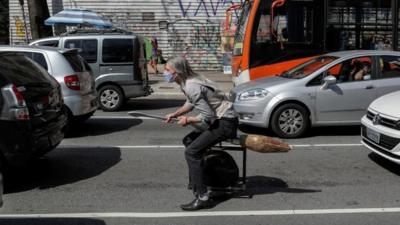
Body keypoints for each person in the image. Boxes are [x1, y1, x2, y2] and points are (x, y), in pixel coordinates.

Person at [163, 56, 238, 211]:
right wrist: (175, 114)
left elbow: (208, 116)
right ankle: (201, 179)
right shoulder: (188, 81)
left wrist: (188, 120)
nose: (164, 72)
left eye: (167, 70)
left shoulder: (191, 85)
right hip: (221, 119)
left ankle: (202, 197)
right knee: (189, 141)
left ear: (177, 72)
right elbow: (190, 103)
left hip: (225, 122)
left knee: (191, 152)